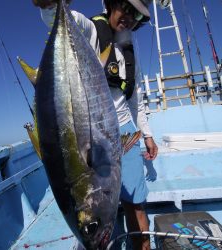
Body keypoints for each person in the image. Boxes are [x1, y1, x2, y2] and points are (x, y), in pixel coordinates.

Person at [32, 0, 158, 249]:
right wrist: (50, 6)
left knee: (135, 204)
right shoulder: (90, 29)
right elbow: (57, 19)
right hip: (88, 133)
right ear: (112, 5)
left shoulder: (131, 49)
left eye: (137, 16)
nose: (130, 18)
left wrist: (148, 134)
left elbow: (136, 96)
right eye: (127, 8)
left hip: (122, 132)